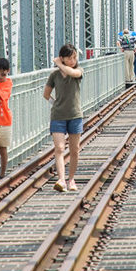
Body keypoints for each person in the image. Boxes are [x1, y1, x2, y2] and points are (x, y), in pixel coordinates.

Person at [43, 44, 85, 192]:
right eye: (69, 58)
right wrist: (55, 104)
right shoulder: (54, 75)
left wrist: (59, 63)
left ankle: (71, 179)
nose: (73, 60)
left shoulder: (78, 71)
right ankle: (61, 180)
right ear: (63, 58)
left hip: (75, 115)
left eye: (74, 57)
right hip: (58, 116)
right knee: (59, 148)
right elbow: (46, 94)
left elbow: (72, 73)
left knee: (74, 150)